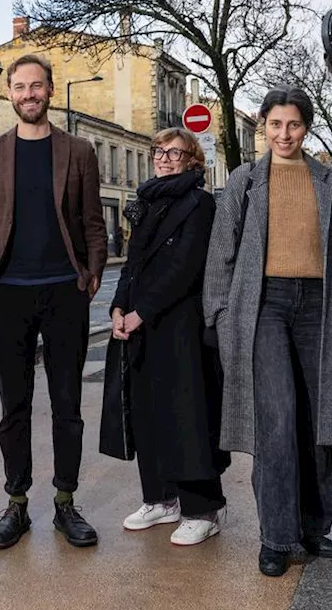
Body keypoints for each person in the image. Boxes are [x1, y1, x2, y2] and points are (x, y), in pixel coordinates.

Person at [203, 87, 332, 578]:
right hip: (263, 306)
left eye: (293, 125)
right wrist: (221, 313)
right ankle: (276, 537)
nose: (284, 134)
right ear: (264, 128)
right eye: (275, 125)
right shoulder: (244, 181)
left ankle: (314, 528)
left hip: (320, 306)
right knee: (276, 419)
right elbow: (222, 250)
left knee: (318, 421)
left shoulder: (330, 182)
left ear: (306, 127)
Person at [0, 53, 108, 549]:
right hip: (7, 293)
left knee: (67, 403)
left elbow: (93, 223)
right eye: (20, 87)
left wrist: (90, 274)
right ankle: (17, 505)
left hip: (64, 292)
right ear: (10, 93)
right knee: (14, 405)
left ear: (50, 89)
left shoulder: (79, 151)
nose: (29, 94)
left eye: (37, 86)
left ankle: (66, 503)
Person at [102, 128, 229, 546]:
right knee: (147, 412)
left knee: (187, 415)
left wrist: (141, 312)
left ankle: (202, 509)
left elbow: (185, 267)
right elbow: (132, 264)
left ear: (193, 161)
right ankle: (161, 498)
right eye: (159, 151)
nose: (164, 158)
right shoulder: (147, 202)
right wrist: (119, 308)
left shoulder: (200, 203)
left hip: (180, 326)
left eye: (175, 153)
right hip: (142, 325)